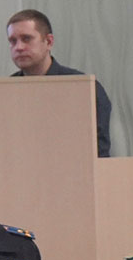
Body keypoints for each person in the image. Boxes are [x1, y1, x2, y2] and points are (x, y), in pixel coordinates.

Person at [6, 9, 112, 157]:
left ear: (49, 42)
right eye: (13, 41)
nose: (19, 47)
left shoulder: (82, 88)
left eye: (27, 39)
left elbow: (98, 152)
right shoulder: (5, 92)